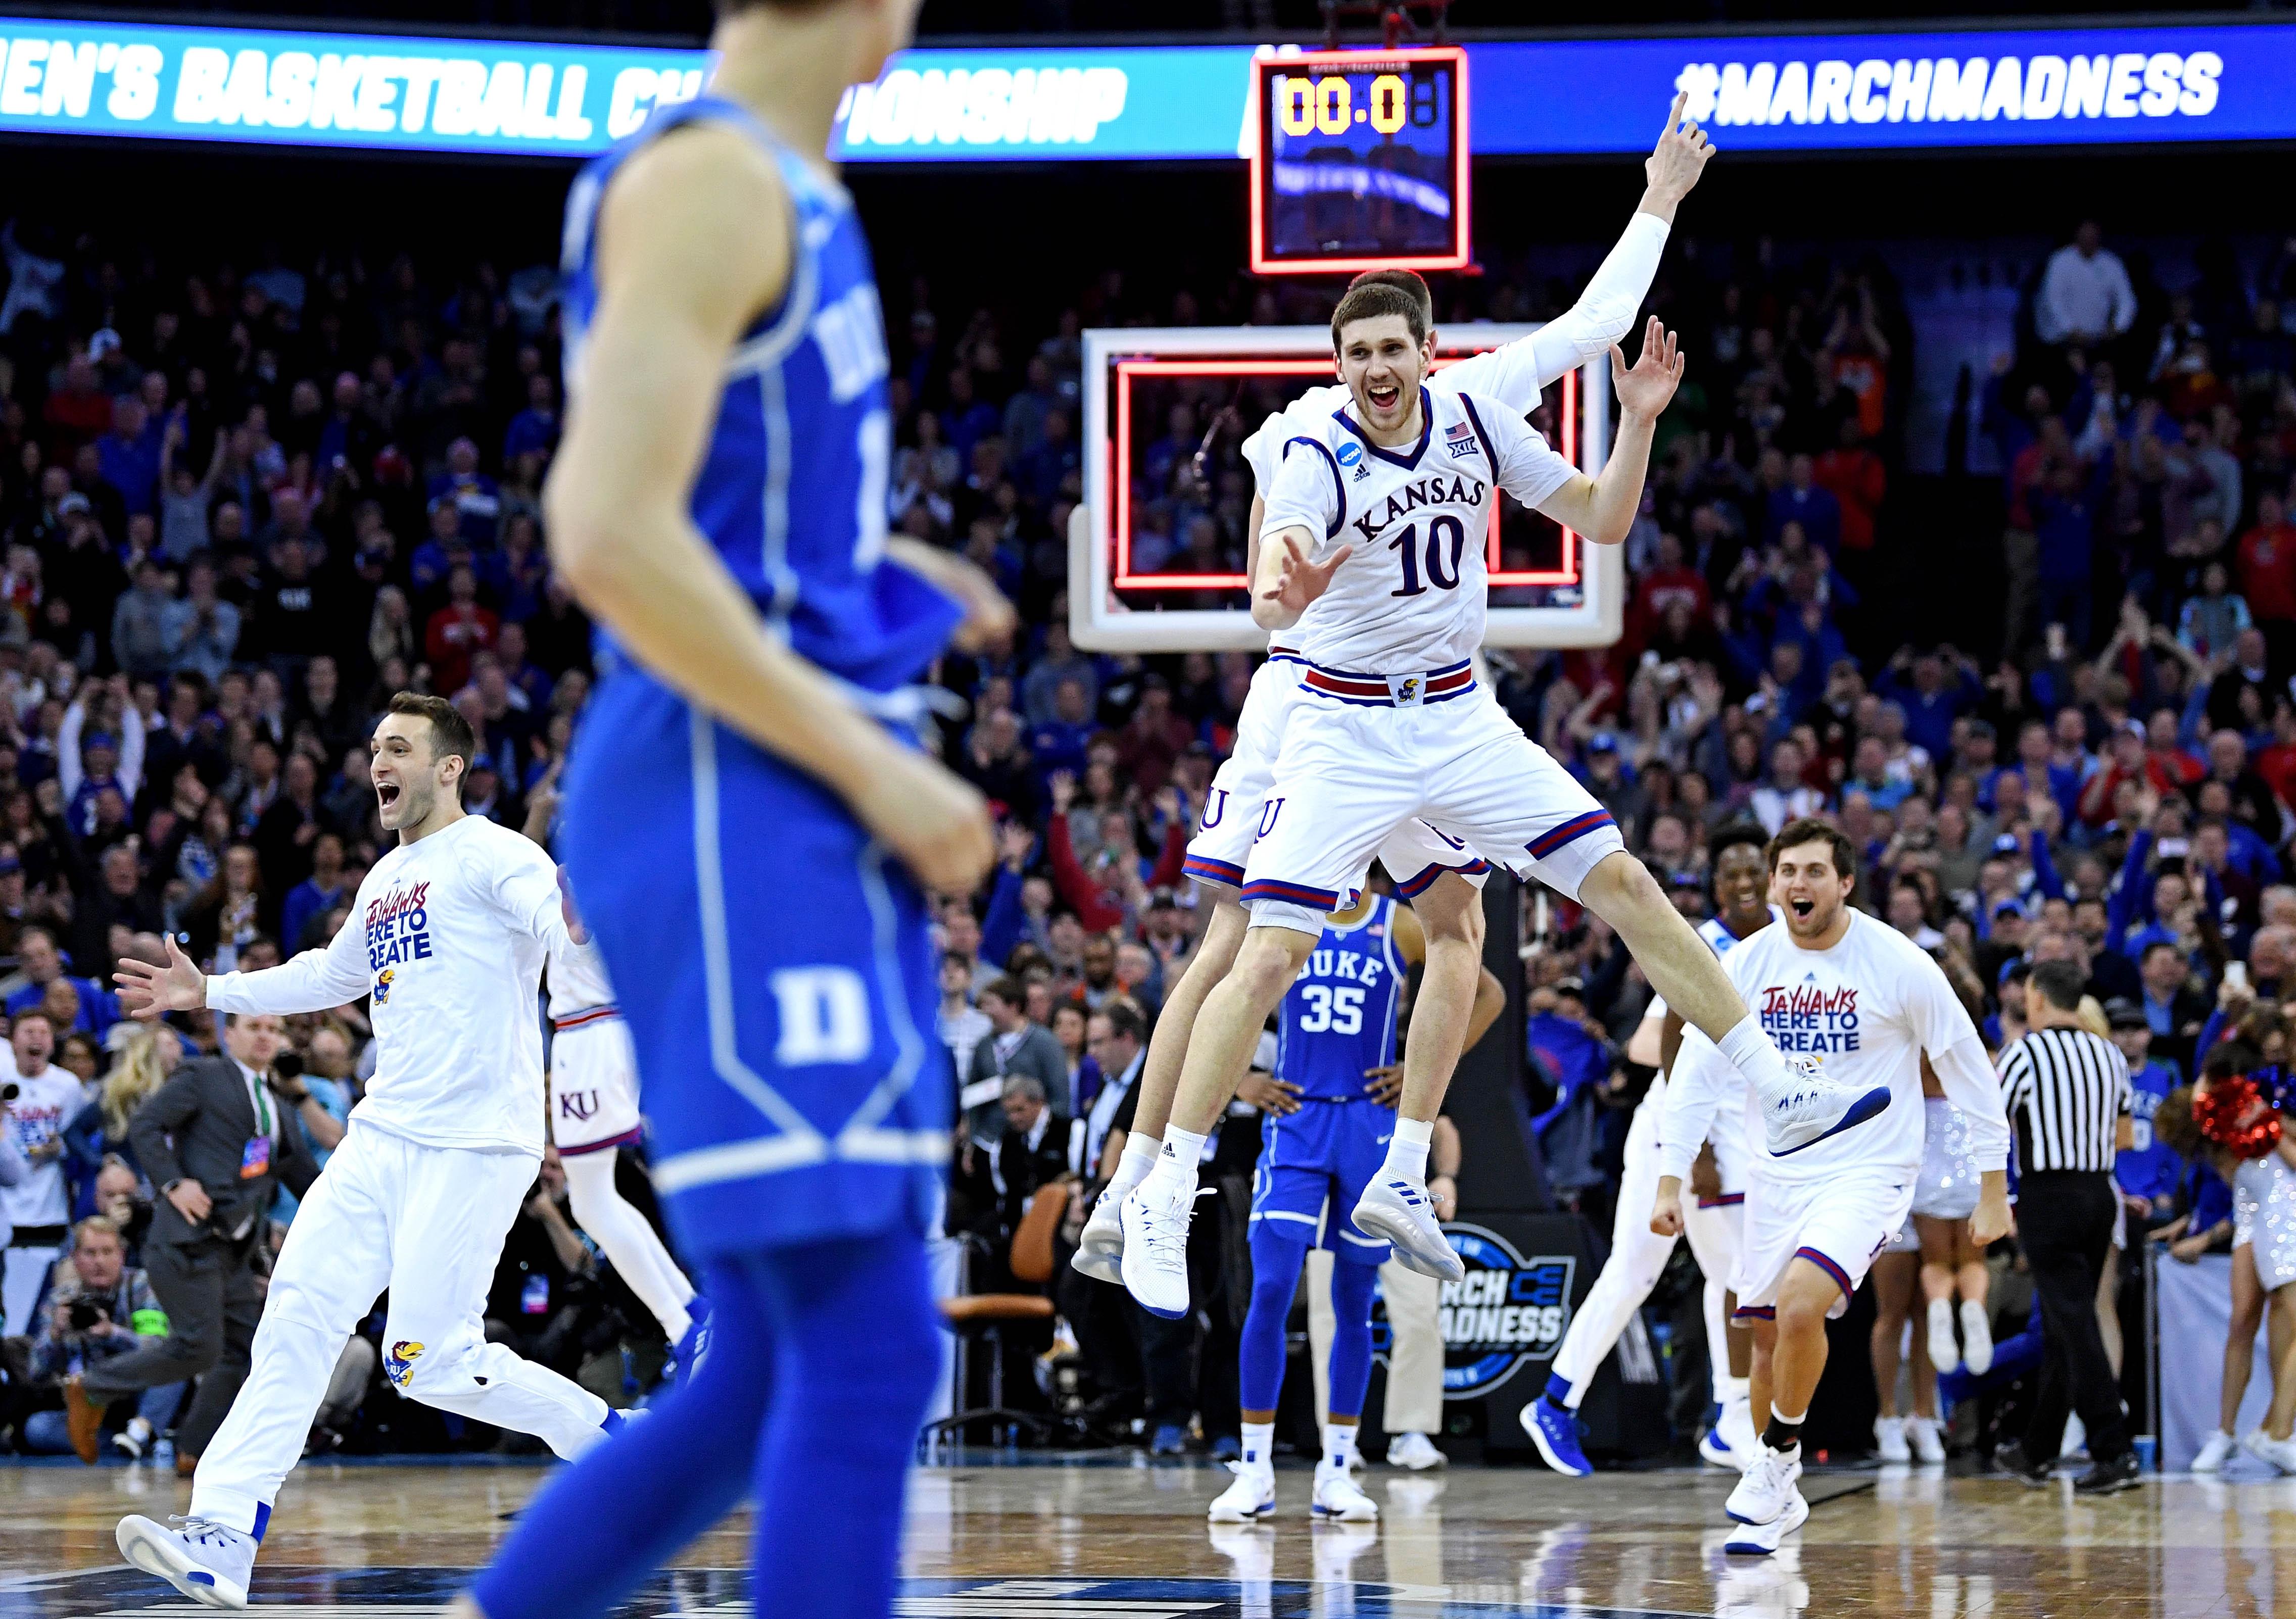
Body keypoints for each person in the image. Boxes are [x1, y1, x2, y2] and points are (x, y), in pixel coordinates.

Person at [451, 4, 1011, 1619]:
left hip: (754, 791)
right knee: (866, 1340)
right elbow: (607, 531)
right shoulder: (712, 181)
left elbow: (724, 536)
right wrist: (876, 765)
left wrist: (885, 589)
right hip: (725, 793)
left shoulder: (786, 187)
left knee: (769, 1361)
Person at [1075, 97, 1716, 1303]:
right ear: (1338, 362)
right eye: (1357, 350)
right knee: (1237, 948)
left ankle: (1405, 1169)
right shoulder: (1302, 437)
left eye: (1394, 348)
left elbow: (1593, 326)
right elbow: (1274, 582)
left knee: (1462, 925)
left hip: (1429, 715)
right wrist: (1285, 583)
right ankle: (1146, 1182)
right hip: (1311, 701)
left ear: (1425, 351)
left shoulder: (1470, 406)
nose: (1378, 367)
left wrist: (1660, 201)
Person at [112, 695, 623, 1605]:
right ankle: (222, 1535)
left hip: (473, 1144)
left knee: (427, 1361)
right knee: (295, 1320)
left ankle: (614, 1444)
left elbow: (554, 918)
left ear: (449, 767)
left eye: (398, 747)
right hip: (380, 1136)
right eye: (373, 746)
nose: (377, 762)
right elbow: (331, 973)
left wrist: (578, 922)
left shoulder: (498, 854)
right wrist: (212, 991)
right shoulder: (388, 877)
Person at [1656, 820, 2014, 1556]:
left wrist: (1993, 1182)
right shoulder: (1747, 963)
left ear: (1845, 883)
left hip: (1869, 1170)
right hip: (1776, 1175)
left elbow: (1966, 1061)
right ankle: (1777, 1496)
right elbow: (1694, 1072)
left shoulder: (1897, 962)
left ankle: (1776, 1464)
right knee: (1764, 1343)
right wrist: (1671, 1173)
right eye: (1788, 870)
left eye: (1814, 871)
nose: (1797, 884)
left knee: (1798, 1307)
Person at [1210, 889, 1500, 1523]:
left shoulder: (1397, 923)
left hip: (1367, 1128)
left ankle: (1336, 1469)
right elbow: (1209, 990)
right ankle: (1254, 1469)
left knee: (1353, 1300)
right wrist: (1239, 1080)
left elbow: (1486, 993)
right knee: (1272, 1288)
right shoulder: (1286, 920)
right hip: (1297, 1120)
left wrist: (1424, 1069)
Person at [1522, 829, 1773, 1477]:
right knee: (1644, 1273)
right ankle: (1555, 1403)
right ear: (1716, 887)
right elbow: (1656, 1042)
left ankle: (1728, 1419)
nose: (1744, 883)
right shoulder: (1699, 945)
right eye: (1730, 873)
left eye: (1754, 870)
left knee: (1737, 1277)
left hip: (1738, 1134)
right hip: (1680, 1130)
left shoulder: (1781, 945)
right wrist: (1689, 1154)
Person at [61, 1013, 318, 1471]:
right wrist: (173, 1182)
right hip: (186, 1239)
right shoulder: (205, 1074)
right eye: (255, 1026)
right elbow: (145, 1125)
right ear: (230, 1033)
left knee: (241, 1350)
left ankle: (194, 1450)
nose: (266, 1036)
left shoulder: (278, 1107)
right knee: (199, 1346)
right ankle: (94, 1386)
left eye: (274, 1029)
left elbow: (305, 1178)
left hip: (235, 1252)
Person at [543, 877, 706, 1369]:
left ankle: (683, 1327)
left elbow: (576, 927)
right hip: (602, 1032)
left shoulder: (586, 876)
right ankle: (691, 1311)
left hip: (590, 1034)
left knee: (592, 1204)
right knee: (598, 1200)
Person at [1991, 960, 2140, 1493]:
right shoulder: (2109, 1054)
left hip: (2047, 1193)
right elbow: (2124, 1137)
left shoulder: (2024, 1053)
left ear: (2034, 997)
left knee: (2073, 1321)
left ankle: (2112, 1447)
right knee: (2062, 1321)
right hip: (2100, 1192)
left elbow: (1991, 1119)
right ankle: (2037, 1448)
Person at [21, 1215, 180, 1459]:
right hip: (93, 1401)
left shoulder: (142, 1285)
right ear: (75, 1258)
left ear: (122, 1255)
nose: (99, 1262)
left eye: (107, 1252)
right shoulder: (61, 1300)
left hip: (139, 1393)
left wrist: (112, 1333)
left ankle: (140, 1432)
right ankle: (128, 1444)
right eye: (90, 1253)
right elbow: (35, 1372)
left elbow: (158, 1347)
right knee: (38, 1429)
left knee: (175, 1363)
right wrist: (56, 1334)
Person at [4, 1009, 83, 1337]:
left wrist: (61, 1147)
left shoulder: (67, 1085)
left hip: (49, 1209)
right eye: (28, 1031)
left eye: (43, 1032)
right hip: (5, 1210)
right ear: (13, 1040)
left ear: (52, 1043)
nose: (36, 1037)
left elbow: (78, 1140)